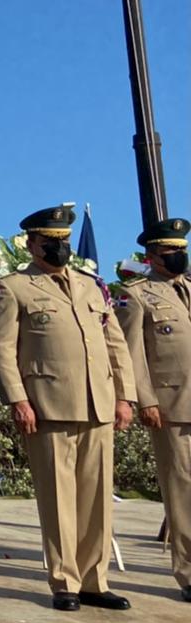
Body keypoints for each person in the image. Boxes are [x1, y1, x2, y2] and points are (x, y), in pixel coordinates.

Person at [0, 206, 137, 611]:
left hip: (98, 404)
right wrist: (18, 400)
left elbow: (115, 344)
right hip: (48, 405)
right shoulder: (13, 288)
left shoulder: (92, 286)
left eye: (64, 241)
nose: (60, 247)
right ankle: (65, 582)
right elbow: (2, 350)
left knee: (97, 500)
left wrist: (125, 396)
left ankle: (94, 581)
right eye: (51, 241)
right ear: (32, 244)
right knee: (58, 499)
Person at [115, 217, 191, 602]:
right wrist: (144, 399)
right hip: (172, 404)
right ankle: (189, 573)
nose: (177, 255)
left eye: (181, 249)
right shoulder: (137, 295)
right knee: (183, 490)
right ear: (152, 255)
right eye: (170, 250)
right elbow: (131, 353)